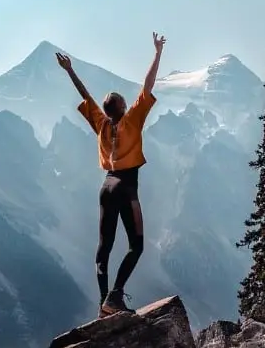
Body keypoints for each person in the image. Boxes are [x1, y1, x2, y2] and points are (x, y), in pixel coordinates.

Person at [55, 31, 165, 318]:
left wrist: (70, 71)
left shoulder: (101, 125)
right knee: (136, 245)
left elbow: (85, 95)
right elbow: (148, 84)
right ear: (123, 107)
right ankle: (115, 296)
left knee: (104, 247)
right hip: (127, 187)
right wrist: (157, 53)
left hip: (106, 186)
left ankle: (104, 304)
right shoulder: (131, 121)